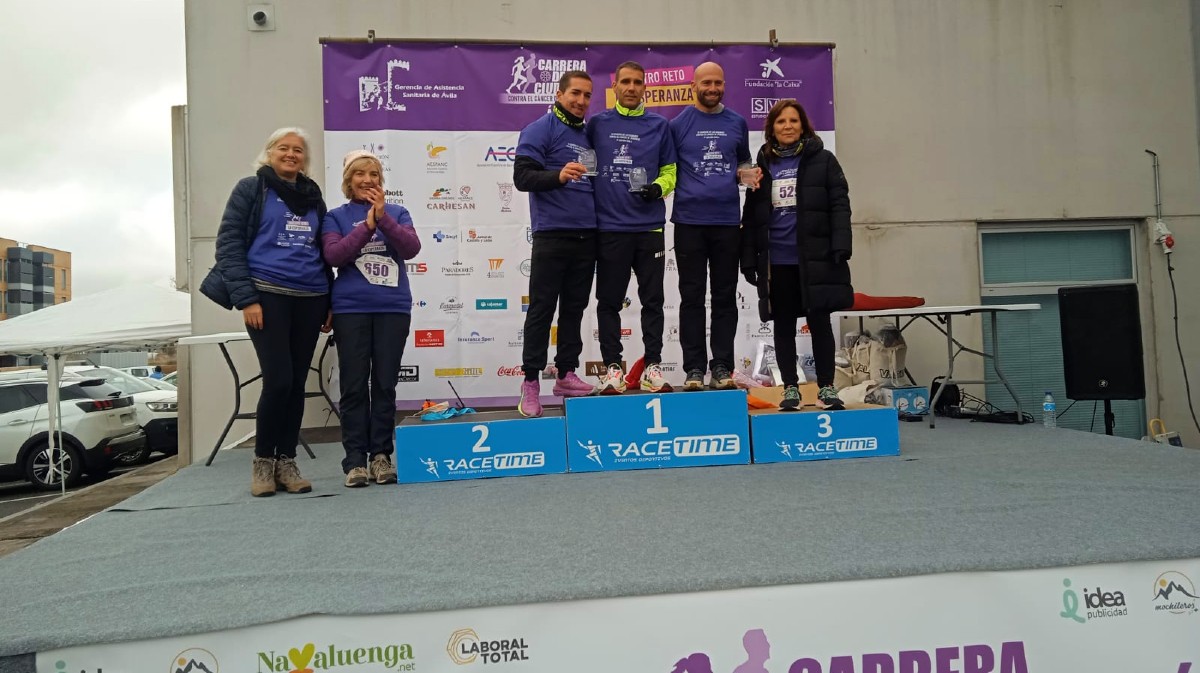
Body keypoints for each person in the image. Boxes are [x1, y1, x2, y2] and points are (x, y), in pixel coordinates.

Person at [200, 127, 333, 496]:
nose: (291, 154)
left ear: (305, 159)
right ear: (269, 153)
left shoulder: (313, 196)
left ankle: (287, 462)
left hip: (311, 296)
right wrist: (247, 299)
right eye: (283, 148)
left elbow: (322, 250)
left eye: (298, 150)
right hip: (267, 295)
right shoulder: (251, 188)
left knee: (296, 384)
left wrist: (330, 302)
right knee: (278, 381)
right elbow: (229, 243)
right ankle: (262, 462)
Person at [740, 100, 852, 411]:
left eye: (793, 120)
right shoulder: (762, 165)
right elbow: (751, 215)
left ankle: (826, 388)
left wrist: (841, 245)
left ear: (803, 126)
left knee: (819, 321)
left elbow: (840, 204)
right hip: (777, 261)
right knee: (784, 324)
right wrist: (748, 258)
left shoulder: (824, 160)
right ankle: (790, 388)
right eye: (781, 121)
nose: (787, 126)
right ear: (772, 128)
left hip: (815, 258)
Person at [322, 150, 420, 486]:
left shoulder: (398, 212)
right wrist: (367, 226)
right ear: (348, 181)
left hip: (393, 308)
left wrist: (383, 218)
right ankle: (354, 460)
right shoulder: (335, 216)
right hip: (351, 309)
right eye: (360, 174)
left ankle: (381, 456)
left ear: (381, 180)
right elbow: (334, 255)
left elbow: (411, 248)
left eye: (374, 174)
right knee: (353, 386)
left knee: (384, 384)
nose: (367, 180)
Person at [512, 71, 601, 418]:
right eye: (575, 93)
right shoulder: (540, 128)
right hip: (551, 234)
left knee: (574, 309)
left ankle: (565, 374)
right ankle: (530, 382)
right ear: (559, 94)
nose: (581, 101)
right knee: (542, 309)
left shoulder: (587, 133)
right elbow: (522, 177)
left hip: (586, 234)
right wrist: (558, 175)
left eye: (587, 95)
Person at [587, 61, 678, 394]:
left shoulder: (659, 125)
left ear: (644, 88)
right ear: (614, 86)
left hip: (649, 228)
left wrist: (658, 187)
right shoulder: (597, 124)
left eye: (637, 82)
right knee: (609, 301)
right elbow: (585, 166)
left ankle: (652, 367)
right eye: (625, 81)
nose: (631, 87)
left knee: (653, 301)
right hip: (610, 227)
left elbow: (671, 171)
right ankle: (613, 369)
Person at [669, 61, 756, 392]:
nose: (713, 88)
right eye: (706, 83)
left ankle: (721, 366)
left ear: (724, 85)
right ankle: (693, 368)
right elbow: (668, 167)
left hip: (727, 222)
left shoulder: (737, 122)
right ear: (694, 86)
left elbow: (744, 161)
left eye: (718, 83)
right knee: (691, 297)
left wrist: (747, 174)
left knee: (724, 297)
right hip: (689, 221)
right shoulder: (678, 124)